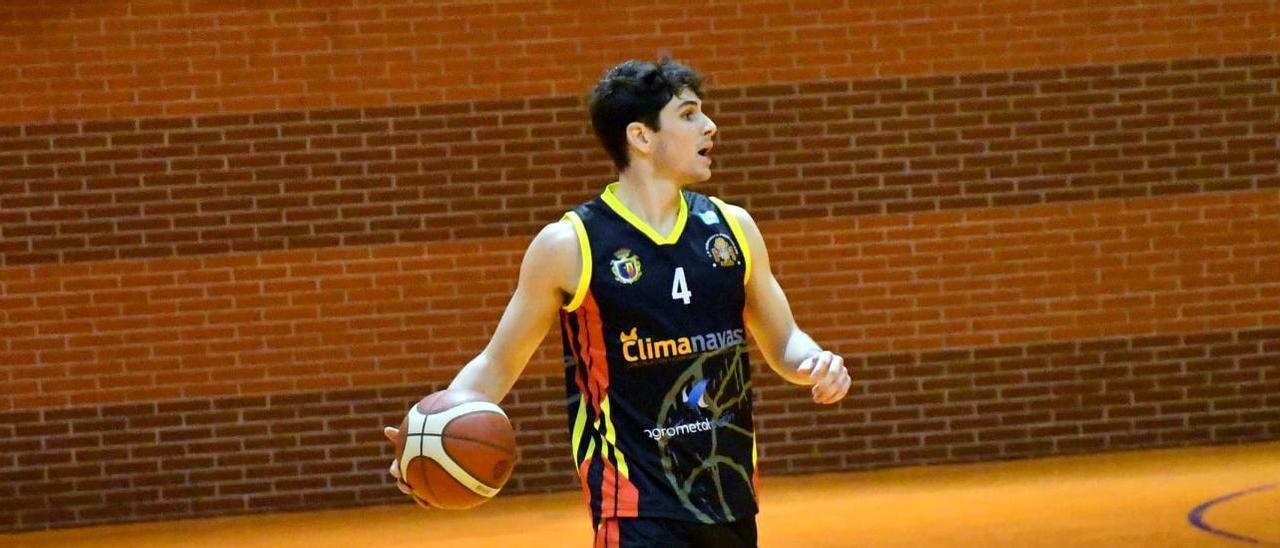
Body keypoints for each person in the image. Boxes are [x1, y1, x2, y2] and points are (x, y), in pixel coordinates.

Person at [383, 57, 851, 548]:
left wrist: (815, 363)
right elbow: (498, 362)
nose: (710, 126)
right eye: (689, 114)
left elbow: (784, 340)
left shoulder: (733, 228)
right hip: (633, 505)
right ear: (641, 137)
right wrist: (425, 435)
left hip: (727, 492)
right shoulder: (571, 244)